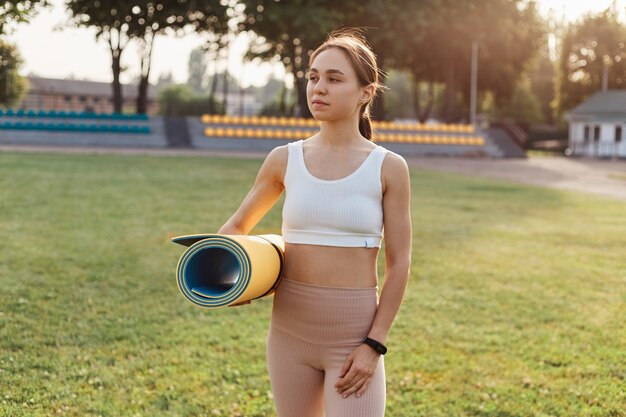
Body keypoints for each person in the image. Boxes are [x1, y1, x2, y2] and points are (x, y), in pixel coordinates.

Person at [217, 28, 412, 417]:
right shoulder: (283, 159)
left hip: (354, 340)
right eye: (313, 77)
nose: (318, 88)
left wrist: (373, 345)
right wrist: (229, 282)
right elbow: (235, 229)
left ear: (365, 93)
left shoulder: (388, 167)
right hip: (289, 337)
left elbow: (400, 263)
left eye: (334, 79)